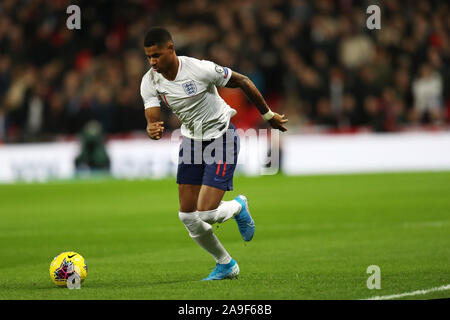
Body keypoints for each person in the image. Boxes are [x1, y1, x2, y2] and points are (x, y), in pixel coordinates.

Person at [140, 27, 288, 280]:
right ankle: (226, 264)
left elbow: (243, 81)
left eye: (156, 55)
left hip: (221, 138)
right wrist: (151, 127)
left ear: (171, 49)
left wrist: (267, 115)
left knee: (207, 212)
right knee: (187, 216)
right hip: (191, 142)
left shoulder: (199, 69)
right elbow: (152, 115)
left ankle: (238, 206)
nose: (152, 62)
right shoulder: (150, 80)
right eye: (148, 57)